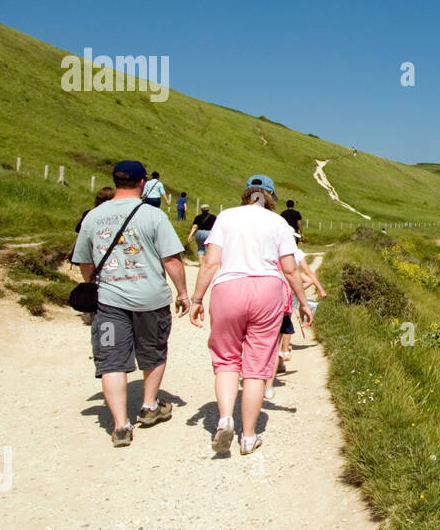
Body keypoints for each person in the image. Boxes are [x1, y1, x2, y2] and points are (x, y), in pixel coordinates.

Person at [190, 174, 312, 456]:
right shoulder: (278, 223)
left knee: (226, 361)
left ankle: (224, 419)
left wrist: (196, 298)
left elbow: (211, 263)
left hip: (228, 288)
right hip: (267, 291)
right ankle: (248, 436)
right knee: (257, 367)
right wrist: (303, 303)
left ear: (246, 194)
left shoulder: (226, 217)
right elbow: (291, 269)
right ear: (270, 197)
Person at [71, 160, 190, 448]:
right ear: (142, 183)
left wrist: (96, 285)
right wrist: (183, 293)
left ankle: (121, 425)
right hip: (150, 300)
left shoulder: (93, 217)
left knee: (111, 359)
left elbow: (85, 262)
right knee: (153, 350)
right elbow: (171, 259)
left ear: (115, 180)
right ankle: (149, 407)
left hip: (109, 302)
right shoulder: (153, 216)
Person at [277, 243, 327, 371]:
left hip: (268, 296)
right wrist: (296, 290)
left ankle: (278, 355)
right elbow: (307, 276)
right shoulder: (293, 258)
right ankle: (284, 351)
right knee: (286, 324)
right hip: (285, 295)